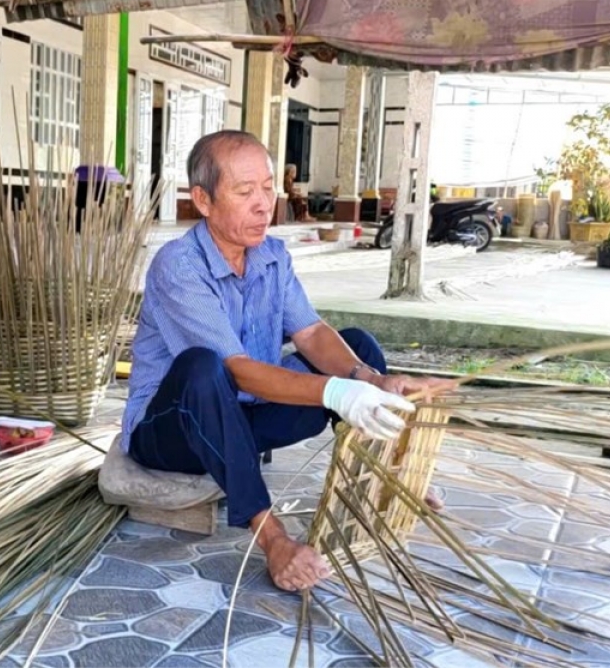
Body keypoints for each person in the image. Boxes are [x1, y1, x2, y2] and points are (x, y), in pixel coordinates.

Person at [122, 130, 453, 593]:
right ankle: (273, 539)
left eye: (267, 187)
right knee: (203, 367)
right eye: (244, 192)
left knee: (358, 347)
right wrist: (338, 393)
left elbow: (312, 333)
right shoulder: (178, 266)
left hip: (241, 419)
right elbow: (233, 368)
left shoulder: (272, 256)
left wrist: (369, 379)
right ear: (202, 200)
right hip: (172, 434)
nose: (264, 204)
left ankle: (387, 478)